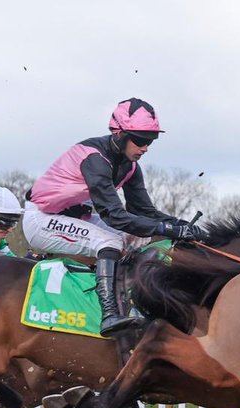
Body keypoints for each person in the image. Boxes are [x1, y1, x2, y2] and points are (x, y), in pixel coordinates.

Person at [21, 98, 206, 336]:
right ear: (118, 133)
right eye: (140, 140)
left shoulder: (130, 166)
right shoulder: (95, 159)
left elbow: (144, 213)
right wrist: (168, 229)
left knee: (134, 240)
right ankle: (109, 315)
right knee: (110, 241)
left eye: (150, 141)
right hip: (41, 219)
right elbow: (114, 216)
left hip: (74, 218)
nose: (145, 147)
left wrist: (180, 225)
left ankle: (134, 303)